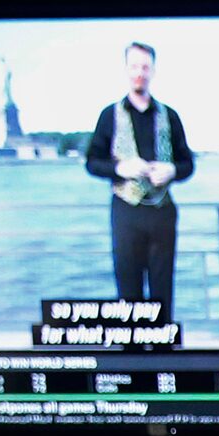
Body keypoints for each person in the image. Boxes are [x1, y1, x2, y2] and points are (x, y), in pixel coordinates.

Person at [83, 41, 193, 313]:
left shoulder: (170, 115)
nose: (139, 72)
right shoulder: (109, 115)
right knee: (128, 292)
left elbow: (188, 164)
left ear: (153, 70)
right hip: (126, 214)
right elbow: (92, 162)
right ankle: (133, 353)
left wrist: (173, 171)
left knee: (163, 291)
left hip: (162, 214)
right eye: (134, 66)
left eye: (145, 67)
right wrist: (121, 169)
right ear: (126, 70)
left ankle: (163, 352)